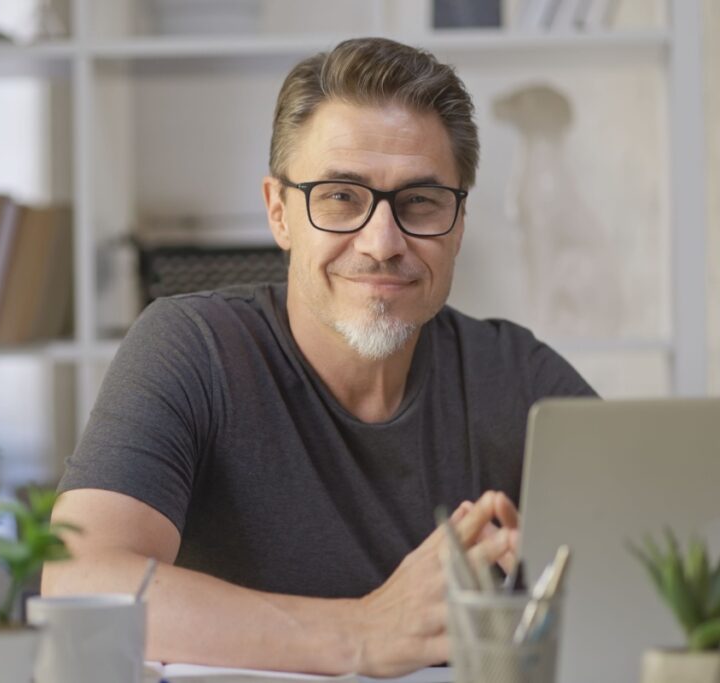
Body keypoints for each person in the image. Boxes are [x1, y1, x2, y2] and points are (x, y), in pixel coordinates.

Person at [41, 37, 595, 677]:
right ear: (280, 213)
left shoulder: (517, 375)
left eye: (420, 201)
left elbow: (660, 562)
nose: (382, 242)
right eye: (340, 197)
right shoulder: (192, 347)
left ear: (459, 223)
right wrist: (361, 632)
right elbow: (82, 581)